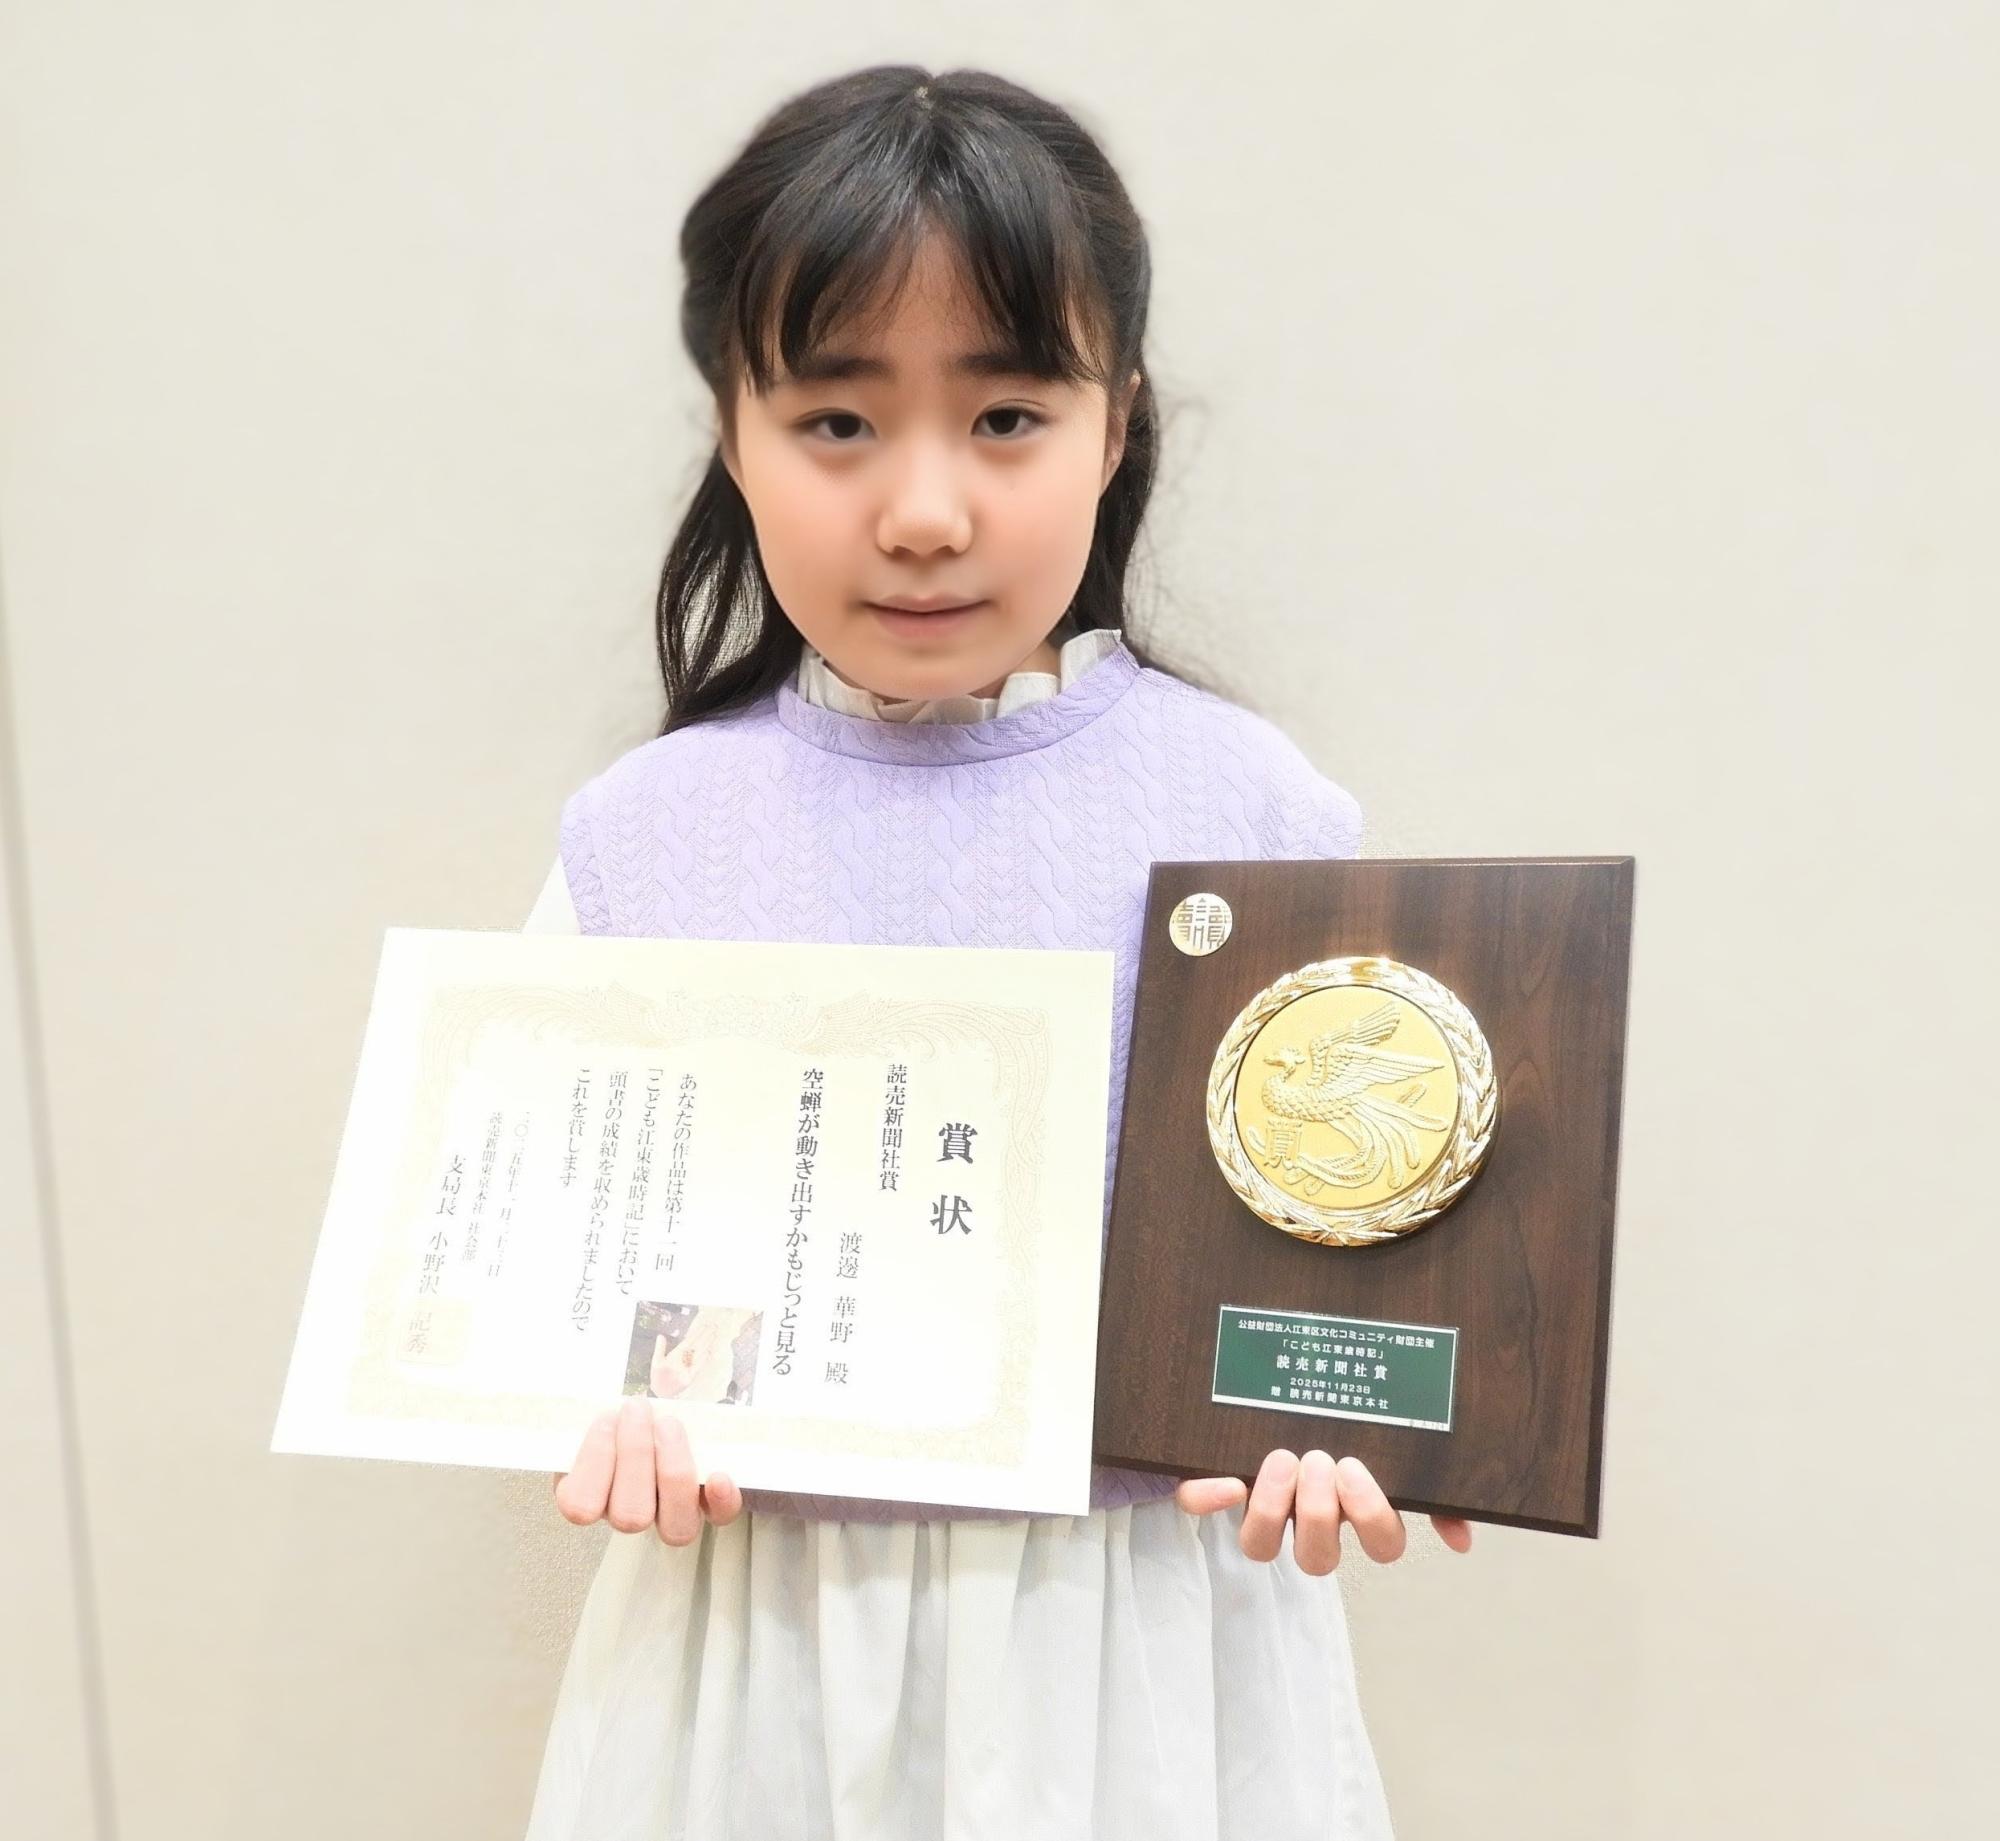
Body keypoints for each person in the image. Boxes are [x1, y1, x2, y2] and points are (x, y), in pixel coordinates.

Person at [522, 63, 1472, 1840]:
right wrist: (606, 1397)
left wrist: (1353, 1417)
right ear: (732, 430)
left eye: (1009, 415)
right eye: (837, 419)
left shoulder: (1253, 815)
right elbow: (541, 1271)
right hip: (765, 1652)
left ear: (1117, 426)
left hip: (1152, 1658)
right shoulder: (643, 839)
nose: (925, 509)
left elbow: (1358, 1263)